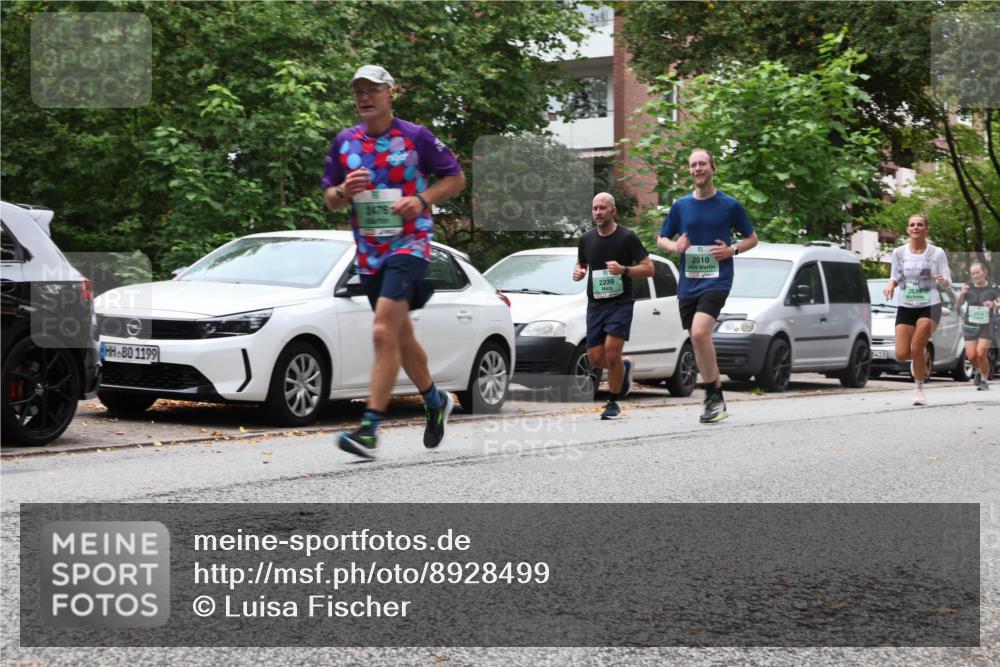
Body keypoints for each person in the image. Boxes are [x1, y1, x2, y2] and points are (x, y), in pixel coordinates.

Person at [322, 65, 466, 458]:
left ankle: (369, 428)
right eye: (358, 91)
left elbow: (456, 178)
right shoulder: (344, 143)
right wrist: (343, 190)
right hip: (368, 252)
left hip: (410, 243)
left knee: (383, 332)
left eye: (372, 90)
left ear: (390, 93)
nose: (364, 97)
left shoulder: (415, 136)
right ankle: (435, 400)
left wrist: (421, 200)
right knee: (400, 337)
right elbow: (330, 199)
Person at [656, 149, 757, 423]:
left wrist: (733, 250)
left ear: (712, 168)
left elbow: (752, 238)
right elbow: (661, 238)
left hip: (717, 278)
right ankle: (716, 397)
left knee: (700, 334)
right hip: (689, 282)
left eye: (702, 164)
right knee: (698, 340)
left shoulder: (729, 205)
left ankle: (713, 396)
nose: (697, 169)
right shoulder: (681, 206)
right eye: (692, 165)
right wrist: (674, 245)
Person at [573, 192, 654, 420]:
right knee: (597, 359)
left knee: (611, 351)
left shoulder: (627, 237)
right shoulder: (587, 239)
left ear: (613, 211)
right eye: (594, 208)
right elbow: (581, 262)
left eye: (602, 208)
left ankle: (613, 402)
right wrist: (579, 271)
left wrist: (624, 270)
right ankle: (624, 366)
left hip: (621, 303)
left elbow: (649, 268)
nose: (598, 212)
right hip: (596, 305)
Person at [882, 213, 952, 405]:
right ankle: (917, 359)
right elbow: (895, 276)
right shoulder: (899, 253)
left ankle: (919, 389)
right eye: (912, 225)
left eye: (920, 225)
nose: (915, 227)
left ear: (926, 229)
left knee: (916, 346)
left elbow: (947, 282)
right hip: (906, 305)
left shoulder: (936, 253)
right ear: (907, 229)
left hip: (930, 305)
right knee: (902, 354)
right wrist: (891, 285)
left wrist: (943, 280)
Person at [955, 262, 999, 391]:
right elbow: (959, 303)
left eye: (977, 273)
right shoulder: (968, 287)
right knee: (971, 356)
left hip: (987, 325)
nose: (975, 276)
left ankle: (984, 380)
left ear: (984, 272)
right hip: (970, 324)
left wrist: (993, 305)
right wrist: (962, 293)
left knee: (981, 353)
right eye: (973, 274)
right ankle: (979, 371)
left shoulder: (993, 287)